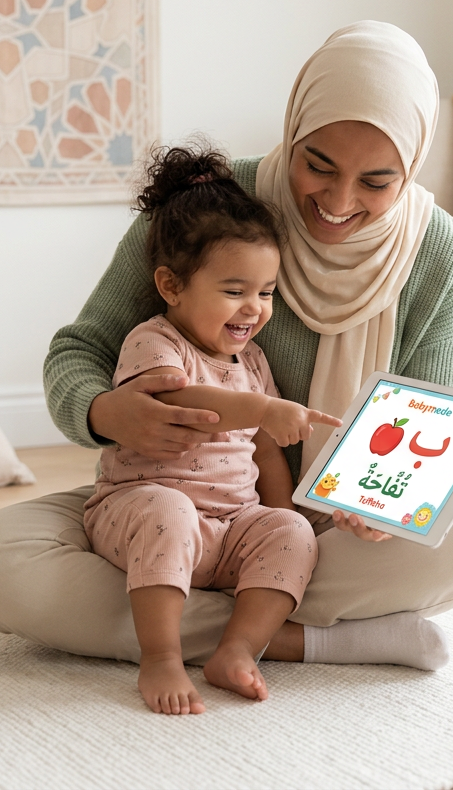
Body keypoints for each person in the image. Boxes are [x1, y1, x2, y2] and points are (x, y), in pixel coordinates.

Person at [0, 21, 453, 677]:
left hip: (316, 528)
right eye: (318, 165)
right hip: (166, 502)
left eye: (376, 182)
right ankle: (307, 636)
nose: (336, 202)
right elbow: (80, 353)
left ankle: (189, 613)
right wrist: (107, 412)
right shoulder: (212, 209)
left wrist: (389, 510)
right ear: (293, 128)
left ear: (412, 165)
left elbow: (431, 423)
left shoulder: (439, 253)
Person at [86, 144, 341, 715]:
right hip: (140, 510)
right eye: (234, 291)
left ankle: (238, 650)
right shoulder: (153, 341)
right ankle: (162, 657)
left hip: (227, 530)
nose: (254, 308)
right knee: (168, 511)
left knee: (290, 531)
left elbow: (267, 456)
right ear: (172, 286)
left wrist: (284, 518)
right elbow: (179, 399)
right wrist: (262, 410)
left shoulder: (252, 363)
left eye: (266, 292)